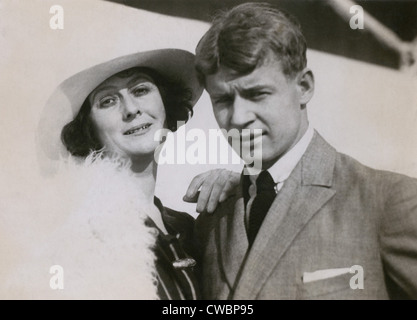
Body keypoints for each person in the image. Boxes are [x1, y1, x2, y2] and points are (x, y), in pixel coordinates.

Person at [192, 2, 417, 299]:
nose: (237, 117)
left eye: (256, 93)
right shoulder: (212, 219)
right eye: (222, 100)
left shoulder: (387, 202)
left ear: (304, 87)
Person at [31, 49, 236, 300]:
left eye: (140, 90)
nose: (131, 110)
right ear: (88, 128)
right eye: (108, 101)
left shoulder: (183, 226)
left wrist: (242, 191)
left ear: (165, 100)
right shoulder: (85, 232)